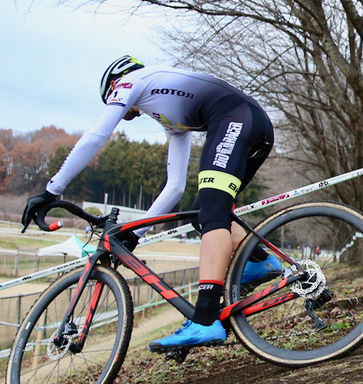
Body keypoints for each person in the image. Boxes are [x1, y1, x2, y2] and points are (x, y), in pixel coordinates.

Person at [22, 55, 280, 354]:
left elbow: (96, 136)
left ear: (114, 86)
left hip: (235, 120)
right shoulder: (170, 115)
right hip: (251, 122)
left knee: (211, 212)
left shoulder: (133, 81)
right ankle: (262, 261)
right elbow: (175, 186)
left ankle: (206, 319)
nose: (126, 110)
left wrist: (51, 191)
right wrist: (137, 233)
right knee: (204, 213)